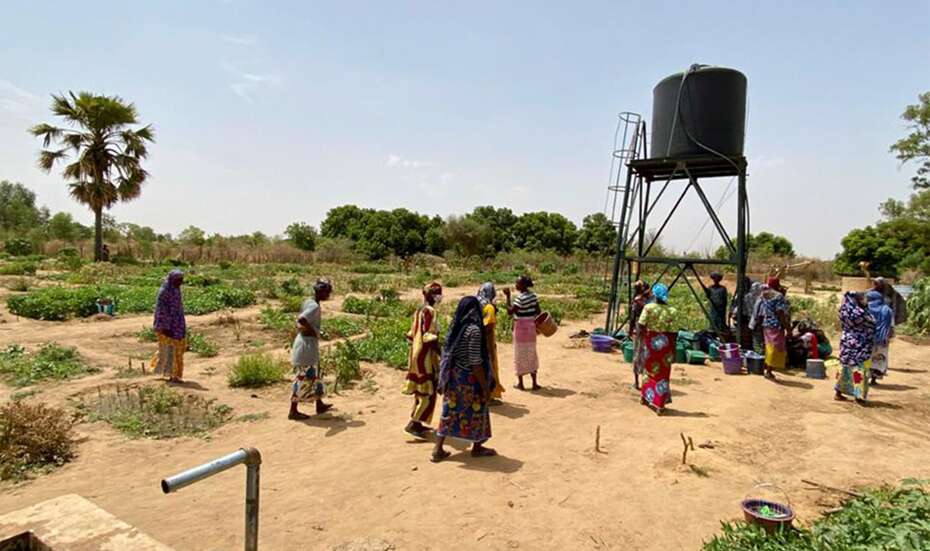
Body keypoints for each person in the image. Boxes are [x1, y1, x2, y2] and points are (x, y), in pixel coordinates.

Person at [432, 296, 496, 463]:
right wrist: (484, 386)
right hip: (469, 379)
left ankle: (437, 449)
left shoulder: (456, 326)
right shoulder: (474, 330)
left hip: (454, 376)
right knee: (478, 410)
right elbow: (475, 361)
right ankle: (477, 447)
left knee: (449, 411)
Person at [289, 278, 334, 420]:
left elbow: (302, 322)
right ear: (321, 292)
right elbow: (301, 320)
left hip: (307, 344)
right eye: (327, 292)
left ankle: (319, 404)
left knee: (315, 376)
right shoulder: (314, 306)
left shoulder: (309, 301)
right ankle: (293, 411)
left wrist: (314, 331)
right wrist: (314, 332)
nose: (329, 295)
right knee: (302, 377)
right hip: (306, 345)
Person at [403, 282, 443, 438]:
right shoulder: (430, 311)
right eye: (439, 293)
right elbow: (429, 337)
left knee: (420, 391)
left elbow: (411, 334)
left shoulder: (419, 310)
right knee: (427, 392)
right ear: (434, 296)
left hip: (415, 354)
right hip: (425, 356)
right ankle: (414, 423)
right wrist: (442, 353)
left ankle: (418, 423)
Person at [835, 292, 875, 404]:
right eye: (863, 298)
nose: (865, 300)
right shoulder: (860, 313)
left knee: (845, 368)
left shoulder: (845, 311)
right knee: (860, 369)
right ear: (857, 300)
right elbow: (872, 322)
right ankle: (859, 396)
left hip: (847, 343)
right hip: (860, 346)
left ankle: (838, 392)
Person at [505, 275, 541, 391]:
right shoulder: (533, 297)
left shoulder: (519, 299)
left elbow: (510, 312)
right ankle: (534, 383)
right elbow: (538, 311)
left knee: (519, 354)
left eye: (517, 283)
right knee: (531, 353)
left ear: (523, 285)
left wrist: (508, 297)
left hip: (520, 328)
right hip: (531, 328)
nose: (516, 285)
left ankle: (521, 384)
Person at [152, 270, 186, 383]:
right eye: (178, 280)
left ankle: (173, 374)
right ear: (172, 279)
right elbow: (161, 312)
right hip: (167, 328)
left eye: (181, 280)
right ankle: (172, 375)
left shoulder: (175, 290)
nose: (181, 282)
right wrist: (166, 328)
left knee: (176, 350)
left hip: (177, 327)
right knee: (169, 350)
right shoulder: (165, 292)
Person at [477, 282, 504, 405]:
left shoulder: (476, 303)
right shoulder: (489, 308)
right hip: (485, 343)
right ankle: (489, 397)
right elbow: (487, 328)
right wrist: (490, 348)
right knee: (489, 368)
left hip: (475, 341)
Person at [760, 277, 790, 380]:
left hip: (766, 323)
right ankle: (769, 370)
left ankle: (766, 367)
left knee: (769, 346)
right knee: (775, 348)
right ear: (778, 285)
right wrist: (787, 328)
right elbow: (780, 313)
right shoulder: (778, 296)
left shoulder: (764, 294)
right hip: (776, 325)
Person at [866, 289, 894, 385]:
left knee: (868, 357)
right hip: (882, 339)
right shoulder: (887, 310)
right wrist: (889, 336)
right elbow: (891, 326)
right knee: (879, 358)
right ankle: (874, 378)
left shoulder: (866, 309)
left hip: (868, 338)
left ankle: (866, 376)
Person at [630, 280, 652, 390]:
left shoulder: (637, 300)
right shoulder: (651, 301)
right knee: (647, 354)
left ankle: (636, 382)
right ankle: (646, 382)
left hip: (639, 329)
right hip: (649, 329)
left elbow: (633, 317)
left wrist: (630, 330)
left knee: (637, 353)